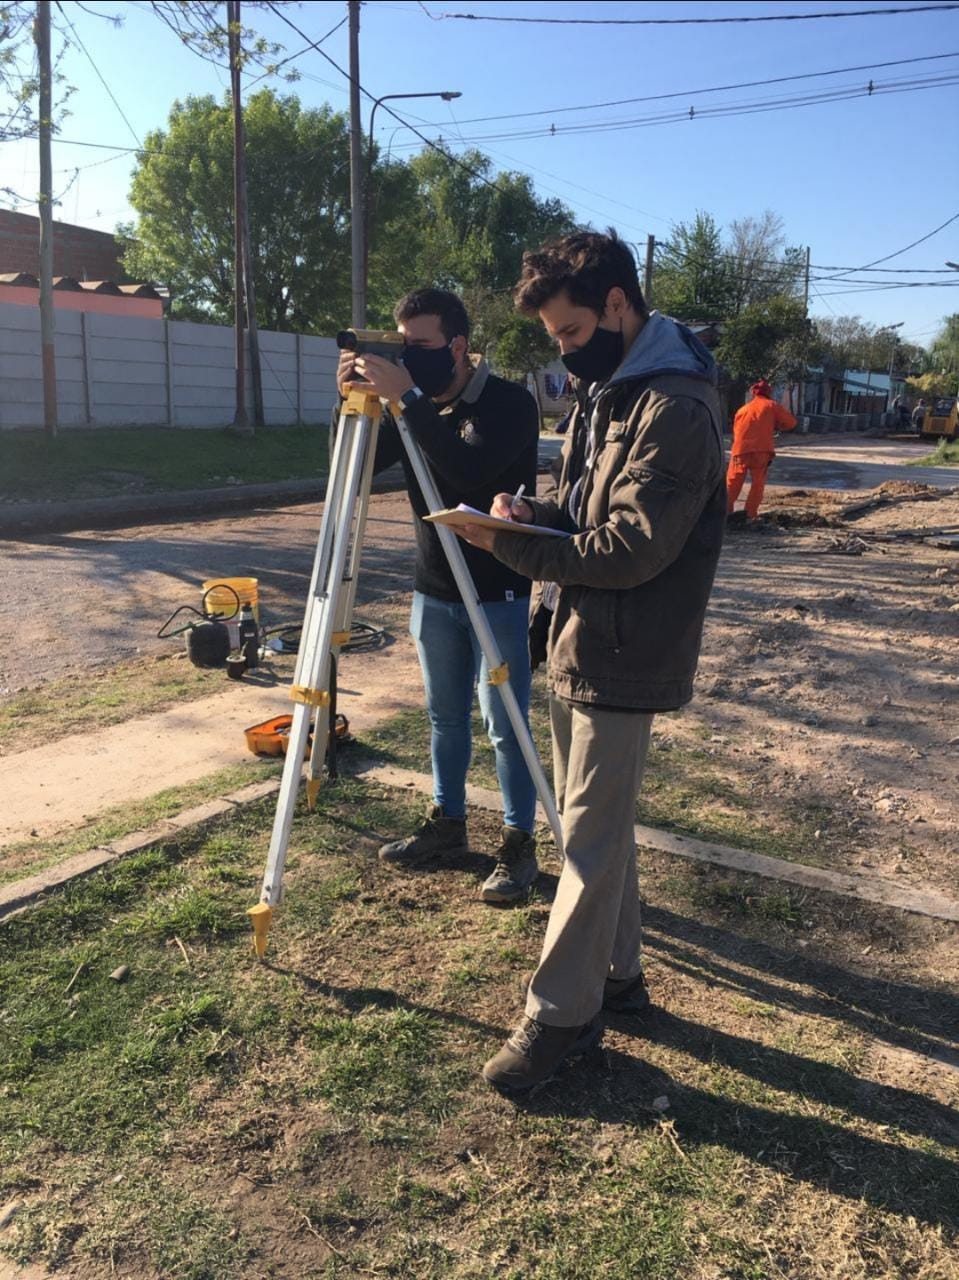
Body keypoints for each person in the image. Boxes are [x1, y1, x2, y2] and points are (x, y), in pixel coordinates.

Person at [454, 230, 726, 1092]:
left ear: (616, 306)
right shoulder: (611, 388)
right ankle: (617, 975)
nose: (565, 356)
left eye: (570, 334)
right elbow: (583, 506)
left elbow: (632, 549)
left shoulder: (676, 406)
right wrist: (529, 509)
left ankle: (560, 1019)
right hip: (579, 635)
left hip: (626, 645)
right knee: (591, 828)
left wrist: (510, 547)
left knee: (588, 838)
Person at [336, 288, 541, 904]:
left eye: (420, 346)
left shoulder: (508, 404)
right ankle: (447, 823)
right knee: (444, 718)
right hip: (434, 589)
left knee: (505, 725)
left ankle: (518, 843)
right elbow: (352, 467)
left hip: (496, 589)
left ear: (457, 344)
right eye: (401, 346)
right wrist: (349, 402)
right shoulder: (408, 407)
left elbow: (467, 473)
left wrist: (408, 397)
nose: (408, 357)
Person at [726, 380, 797, 521]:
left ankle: (723, 513)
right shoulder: (772, 406)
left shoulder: (743, 409)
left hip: (740, 450)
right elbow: (791, 423)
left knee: (732, 483)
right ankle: (750, 515)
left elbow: (736, 430)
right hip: (761, 451)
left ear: (753, 393)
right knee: (757, 484)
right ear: (769, 393)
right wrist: (777, 425)